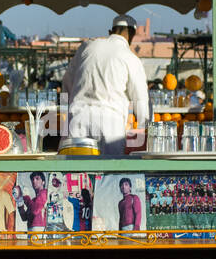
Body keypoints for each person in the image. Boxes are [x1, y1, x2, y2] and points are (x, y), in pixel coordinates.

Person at [62, 14, 151, 156]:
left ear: (111, 32)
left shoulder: (86, 47)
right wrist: (145, 125)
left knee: (75, 174)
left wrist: (68, 109)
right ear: (132, 35)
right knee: (110, 174)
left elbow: (67, 82)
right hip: (110, 125)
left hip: (78, 119)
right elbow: (141, 100)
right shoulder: (130, 58)